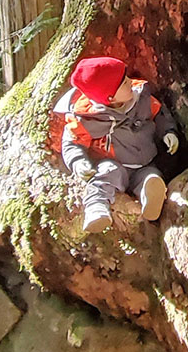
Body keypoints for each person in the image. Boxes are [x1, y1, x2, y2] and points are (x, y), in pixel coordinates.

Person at [55, 56, 180, 233]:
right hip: (114, 162)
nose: (130, 82)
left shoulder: (141, 97)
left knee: (151, 176)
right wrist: (78, 162)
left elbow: (159, 113)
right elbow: (72, 143)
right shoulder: (88, 119)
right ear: (110, 97)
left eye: (126, 77)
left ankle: (150, 198)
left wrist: (169, 132)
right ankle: (96, 207)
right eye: (123, 82)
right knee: (107, 174)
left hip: (144, 162)